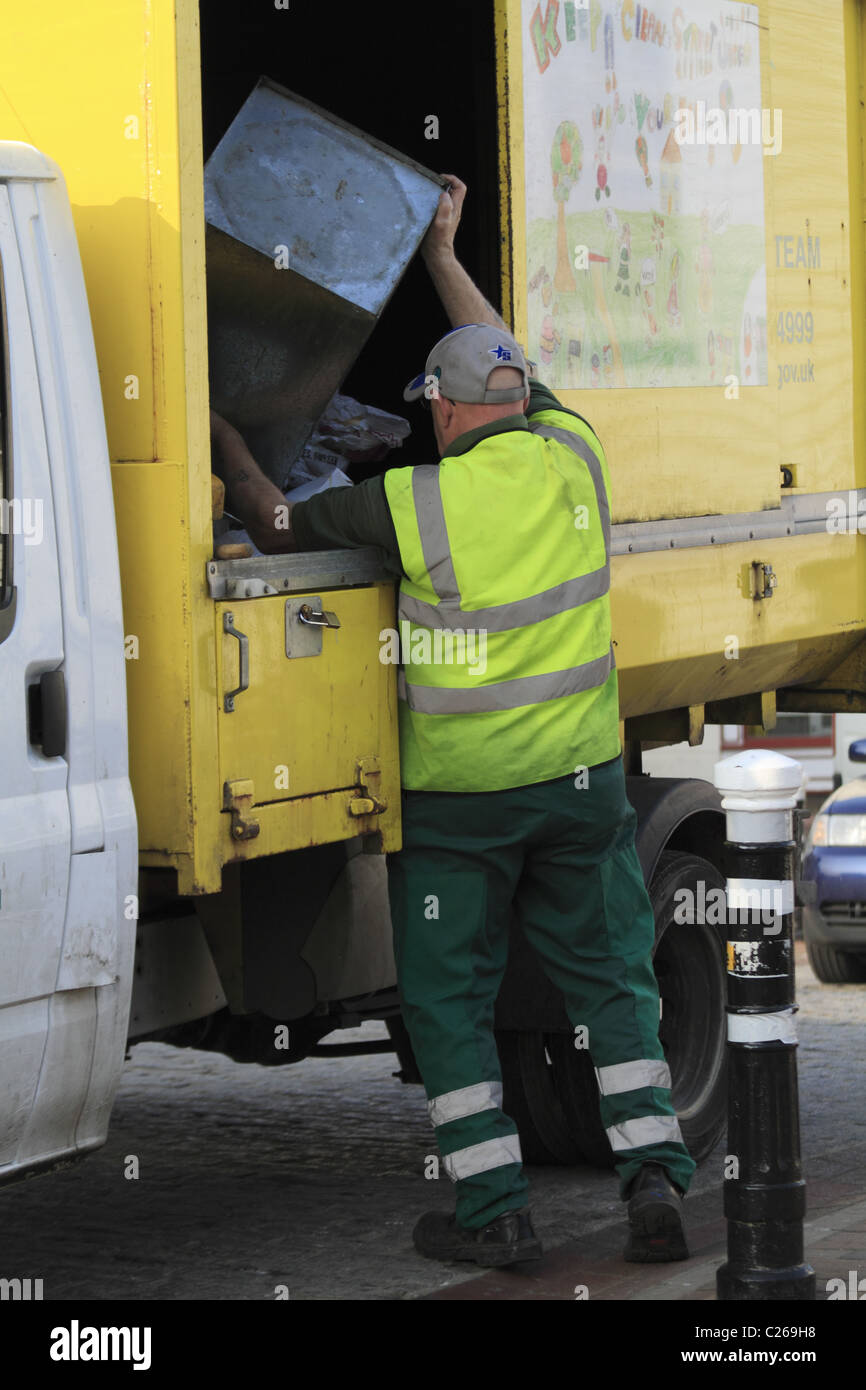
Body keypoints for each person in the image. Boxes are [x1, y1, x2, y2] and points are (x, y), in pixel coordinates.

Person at [211, 175, 696, 1268]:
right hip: (581, 791)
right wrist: (441, 253)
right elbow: (506, 351)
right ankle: (656, 1182)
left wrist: (228, 446)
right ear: (520, 398)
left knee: (447, 1000)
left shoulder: (411, 502)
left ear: (440, 409)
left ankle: (494, 1212)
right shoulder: (575, 456)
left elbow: (277, 526)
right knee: (614, 983)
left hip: (462, 808)